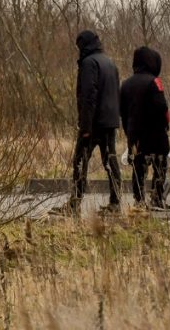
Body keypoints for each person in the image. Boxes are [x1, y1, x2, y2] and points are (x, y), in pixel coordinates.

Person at [52, 30, 121, 216]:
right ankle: (116, 203)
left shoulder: (89, 63)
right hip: (110, 122)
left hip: (94, 123)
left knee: (80, 161)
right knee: (110, 161)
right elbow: (116, 92)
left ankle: (75, 204)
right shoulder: (109, 62)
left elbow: (88, 96)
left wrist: (85, 127)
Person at [120, 46, 170, 211]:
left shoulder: (126, 84)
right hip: (156, 135)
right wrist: (166, 125)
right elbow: (162, 107)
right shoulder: (154, 82)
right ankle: (157, 198)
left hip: (135, 135)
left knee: (138, 169)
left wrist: (129, 132)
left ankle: (139, 200)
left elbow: (122, 111)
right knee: (159, 167)